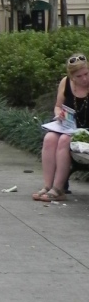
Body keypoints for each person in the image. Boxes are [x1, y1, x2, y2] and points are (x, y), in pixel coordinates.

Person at [33, 53, 89, 202]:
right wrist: (59, 115)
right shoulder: (65, 83)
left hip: (86, 131)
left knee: (64, 140)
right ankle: (47, 185)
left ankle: (59, 189)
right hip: (69, 126)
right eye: (79, 76)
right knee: (49, 138)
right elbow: (58, 106)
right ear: (71, 77)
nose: (84, 79)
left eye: (86, 74)